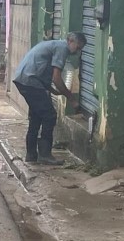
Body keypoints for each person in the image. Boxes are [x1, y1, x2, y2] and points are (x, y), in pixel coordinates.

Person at [12, 32, 87, 165]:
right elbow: (56, 78)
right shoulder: (62, 48)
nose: (77, 52)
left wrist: (52, 90)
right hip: (30, 81)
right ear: (70, 41)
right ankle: (45, 154)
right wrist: (71, 99)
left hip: (24, 79)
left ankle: (31, 155)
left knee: (36, 117)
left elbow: (43, 72)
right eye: (78, 47)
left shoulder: (53, 45)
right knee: (50, 115)